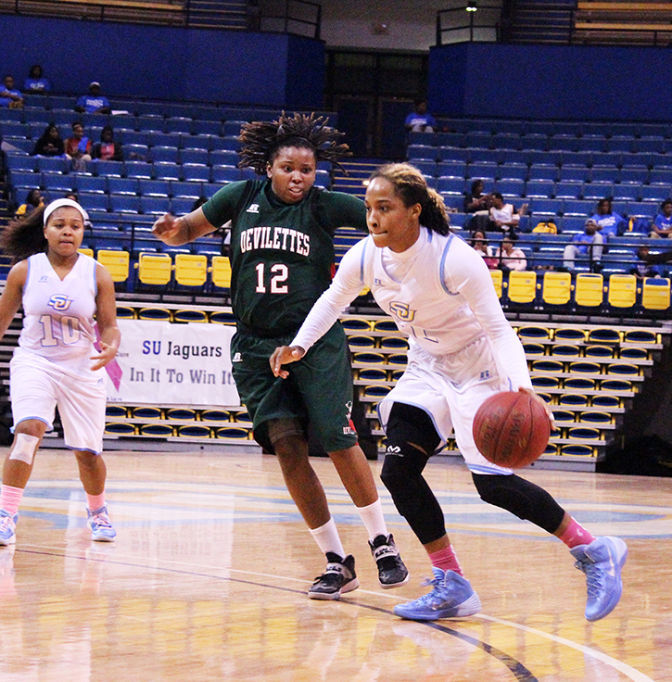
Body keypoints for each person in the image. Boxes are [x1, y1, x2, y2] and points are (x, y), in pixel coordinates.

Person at [270, 162, 627, 623]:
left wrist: (524, 389)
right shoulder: (366, 255)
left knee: (493, 486)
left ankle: (593, 550)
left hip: (479, 369)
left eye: (385, 208)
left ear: (414, 211)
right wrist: (300, 344)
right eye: (368, 208)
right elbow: (332, 300)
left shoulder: (455, 259)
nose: (373, 218)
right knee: (398, 471)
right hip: (427, 368)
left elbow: (500, 331)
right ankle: (452, 582)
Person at [151, 112, 408, 599]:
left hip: (314, 341)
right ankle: (336, 559)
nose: (298, 177)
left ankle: (382, 541)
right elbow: (188, 229)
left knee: (337, 438)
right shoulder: (239, 197)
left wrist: (415, 214)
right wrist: (173, 230)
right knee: (287, 446)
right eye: (289, 167)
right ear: (269, 167)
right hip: (254, 344)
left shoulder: (325, 206)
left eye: (307, 170)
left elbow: (384, 217)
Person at [0, 198, 121, 546]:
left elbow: (109, 326)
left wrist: (111, 344)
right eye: (60, 224)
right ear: (46, 230)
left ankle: (98, 511)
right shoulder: (24, 270)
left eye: (75, 226)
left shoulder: (97, 273)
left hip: (82, 368)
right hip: (36, 362)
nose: (67, 231)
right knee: (29, 431)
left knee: (88, 454)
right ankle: (5, 518)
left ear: (82, 233)